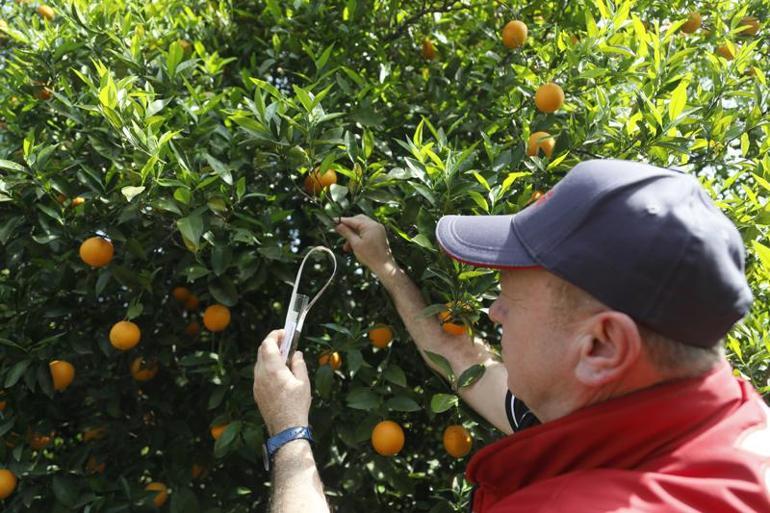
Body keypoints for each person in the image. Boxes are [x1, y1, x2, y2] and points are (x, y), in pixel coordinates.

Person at [252, 159, 770, 513]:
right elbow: (461, 359)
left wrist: (289, 435)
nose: (494, 313)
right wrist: (387, 269)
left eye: (512, 299)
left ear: (601, 346)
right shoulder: (721, 429)